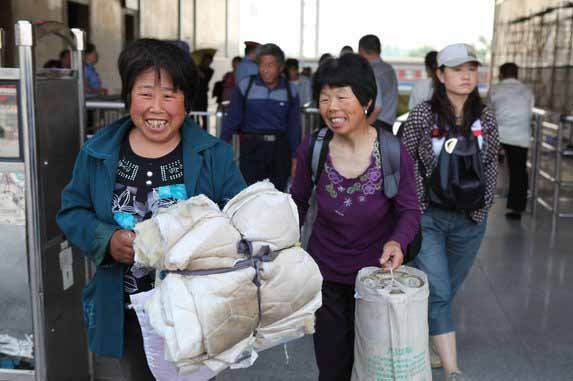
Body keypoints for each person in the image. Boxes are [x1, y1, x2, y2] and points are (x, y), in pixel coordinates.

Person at [56, 38, 245, 381]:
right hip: (124, 311)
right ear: (128, 97)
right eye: (146, 93)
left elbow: (242, 220)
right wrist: (107, 239)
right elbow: (72, 211)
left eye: (169, 95)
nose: (157, 107)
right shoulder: (98, 153)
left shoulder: (212, 155)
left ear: (186, 101)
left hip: (193, 314)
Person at [290, 53, 421, 381]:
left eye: (342, 97)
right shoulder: (314, 147)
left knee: (375, 367)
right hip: (327, 277)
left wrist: (398, 241)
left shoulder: (391, 150)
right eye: (324, 98)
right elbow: (298, 201)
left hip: (377, 279)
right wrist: (284, 244)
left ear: (367, 101)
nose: (332, 107)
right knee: (332, 367)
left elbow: (409, 209)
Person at [401, 43, 499, 381]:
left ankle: (432, 337)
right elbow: (404, 159)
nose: (466, 75)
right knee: (439, 290)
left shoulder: (485, 117)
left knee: (447, 287)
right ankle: (453, 370)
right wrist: (416, 206)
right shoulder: (423, 116)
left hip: (470, 220)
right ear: (440, 75)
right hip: (430, 217)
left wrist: (483, 206)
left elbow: (490, 164)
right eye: (458, 69)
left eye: (471, 69)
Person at [221, 43, 301, 191]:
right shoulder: (246, 86)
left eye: (270, 65)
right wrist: (220, 146)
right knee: (250, 194)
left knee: (277, 195)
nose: (265, 70)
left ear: (281, 67)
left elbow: (294, 126)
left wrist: (295, 157)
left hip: (280, 150)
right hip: (252, 148)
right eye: (262, 65)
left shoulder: (291, 91)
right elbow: (232, 119)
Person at [487, 62, 534, 220]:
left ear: (501, 74)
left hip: (498, 135)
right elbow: (529, 111)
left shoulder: (495, 89)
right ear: (516, 74)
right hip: (520, 137)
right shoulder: (527, 91)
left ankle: (480, 201)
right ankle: (516, 209)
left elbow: (488, 111)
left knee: (485, 166)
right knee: (518, 172)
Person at [358, 34, 398, 132]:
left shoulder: (372, 72)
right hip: (389, 123)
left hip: (376, 123)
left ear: (361, 51)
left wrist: (363, 127)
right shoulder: (389, 69)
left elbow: (377, 107)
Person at [194, 53, 215, 128]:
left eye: (209, 61)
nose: (207, 62)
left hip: (203, 95)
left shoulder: (210, 70)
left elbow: (204, 77)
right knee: (194, 115)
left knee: (204, 115)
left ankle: (205, 130)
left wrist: (196, 69)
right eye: (206, 60)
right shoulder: (195, 68)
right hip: (195, 94)